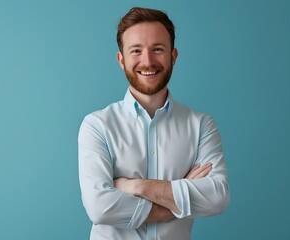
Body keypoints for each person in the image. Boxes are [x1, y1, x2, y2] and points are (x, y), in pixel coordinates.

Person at [78, 7, 230, 240]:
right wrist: (179, 197)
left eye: (157, 49)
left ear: (173, 56)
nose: (147, 61)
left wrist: (136, 186)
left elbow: (217, 197)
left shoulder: (201, 125)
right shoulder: (97, 126)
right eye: (136, 50)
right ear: (121, 60)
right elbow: (100, 207)